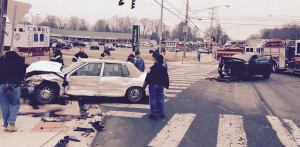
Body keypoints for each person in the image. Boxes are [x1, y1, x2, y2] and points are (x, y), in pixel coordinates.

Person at [0, 47, 26, 132]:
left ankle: (6, 124)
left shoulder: (2, 59)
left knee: (4, 106)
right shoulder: (19, 59)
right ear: (17, 51)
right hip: (14, 86)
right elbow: (23, 73)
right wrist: (20, 81)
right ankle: (11, 123)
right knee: (15, 104)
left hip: (2, 85)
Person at [144, 54, 169, 119]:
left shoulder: (151, 68)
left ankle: (153, 114)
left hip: (153, 86)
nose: (154, 60)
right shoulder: (163, 68)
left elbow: (147, 78)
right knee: (161, 100)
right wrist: (166, 85)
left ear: (156, 61)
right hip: (161, 86)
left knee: (153, 100)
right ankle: (162, 114)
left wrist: (144, 86)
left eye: (155, 59)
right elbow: (166, 77)